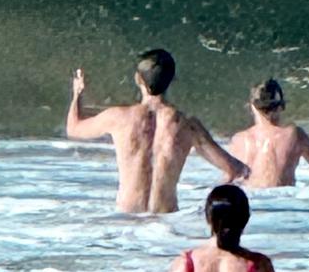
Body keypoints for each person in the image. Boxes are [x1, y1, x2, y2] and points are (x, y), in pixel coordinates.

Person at [65, 49, 248, 213]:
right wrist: (205, 208)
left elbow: (74, 129)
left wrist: (77, 94)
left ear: (138, 79)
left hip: (127, 219)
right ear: (172, 79)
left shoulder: (119, 117)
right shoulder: (188, 125)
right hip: (166, 226)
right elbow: (236, 170)